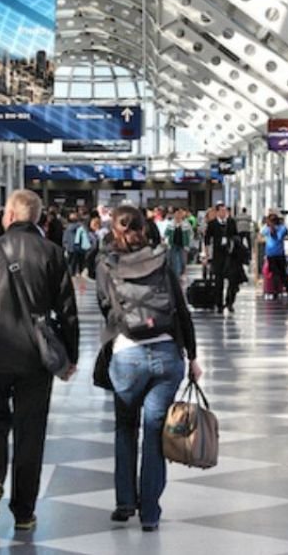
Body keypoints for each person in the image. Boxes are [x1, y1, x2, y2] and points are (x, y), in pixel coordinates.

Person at [0, 189, 80, 532]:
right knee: (30, 431)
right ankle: (24, 511)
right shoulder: (53, 253)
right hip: (35, 358)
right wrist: (70, 356)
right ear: (39, 218)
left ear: (8, 215)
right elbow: (68, 311)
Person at [95, 206, 203, 532]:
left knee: (125, 428)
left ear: (114, 230)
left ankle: (124, 503)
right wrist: (193, 355)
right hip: (168, 353)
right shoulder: (162, 258)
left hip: (128, 354)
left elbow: (105, 307)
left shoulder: (106, 264)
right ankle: (151, 514)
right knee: (156, 433)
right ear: (145, 228)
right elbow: (180, 309)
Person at [205, 204, 246, 312]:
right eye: (222, 211)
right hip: (218, 256)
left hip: (231, 256)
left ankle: (229, 302)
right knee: (219, 282)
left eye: (225, 211)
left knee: (233, 281)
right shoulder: (212, 224)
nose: (224, 213)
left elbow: (236, 236)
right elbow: (207, 240)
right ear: (217, 212)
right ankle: (219, 304)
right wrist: (206, 255)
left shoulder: (231, 222)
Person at [260, 214, 288, 298]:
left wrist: (271, 227)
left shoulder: (281, 228)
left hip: (276, 254)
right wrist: (268, 226)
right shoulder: (273, 228)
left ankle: (284, 290)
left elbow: (278, 237)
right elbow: (262, 232)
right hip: (273, 254)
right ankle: (278, 291)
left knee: (279, 273)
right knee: (277, 273)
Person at [164, 209, 192, 280]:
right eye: (176, 214)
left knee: (183, 260)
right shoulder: (170, 224)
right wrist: (166, 242)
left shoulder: (186, 224)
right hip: (173, 245)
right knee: (174, 261)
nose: (178, 216)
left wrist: (188, 243)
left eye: (179, 214)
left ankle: (183, 273)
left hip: (183, 245)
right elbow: (166, 234)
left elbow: (190, 234)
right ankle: (176, 276)